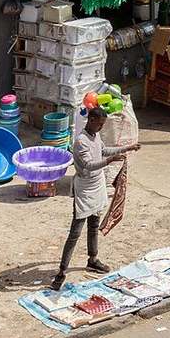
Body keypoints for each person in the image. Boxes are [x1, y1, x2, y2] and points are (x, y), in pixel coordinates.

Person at [51, 107, 138, 294]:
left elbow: (103, 150)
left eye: (102, 125)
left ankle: (93, 259)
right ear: (90, 120)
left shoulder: (95, 136)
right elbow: (88, 165)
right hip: (85, 188)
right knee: (75, 232)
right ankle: (61, 271)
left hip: (97, 185)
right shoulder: (81, 142)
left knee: (94, 225)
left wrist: (126, 148)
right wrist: (110, 161)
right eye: (99, 124)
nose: (100, 128)